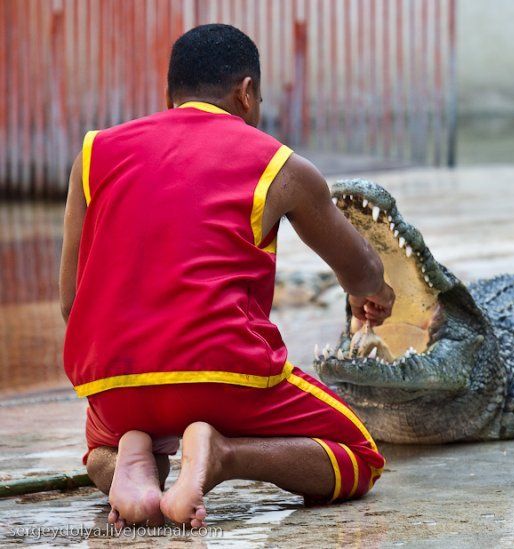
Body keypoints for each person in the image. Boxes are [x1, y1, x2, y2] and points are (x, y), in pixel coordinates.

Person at [58, 24, 394, 528]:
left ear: (169, 95)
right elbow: (362, 271)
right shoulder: (280, 164)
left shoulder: (94, 152)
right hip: (226, 374)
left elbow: (71, 302)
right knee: (359, 455)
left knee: (100, 446)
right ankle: (222, 455)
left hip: (116, 384)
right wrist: (372, 295)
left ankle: (133, 466)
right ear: (247, 92)